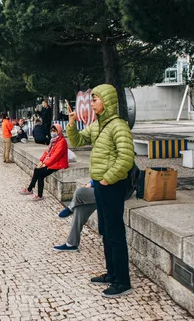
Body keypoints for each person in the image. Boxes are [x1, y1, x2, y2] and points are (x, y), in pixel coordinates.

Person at [67, 84, 135, 298]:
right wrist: (71, 124)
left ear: (106, 101)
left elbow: (126, 158)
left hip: (111, 186)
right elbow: (77, 141)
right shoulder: (97, 125)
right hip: (101, 186)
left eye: (95, 99)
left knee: (115, 232)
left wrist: (107, 179)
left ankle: (123, 281)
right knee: (106, 231)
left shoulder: (118, 126)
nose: (92, 102)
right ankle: (112, 274)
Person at [19, 124, 69, 201]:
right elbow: (47, 152)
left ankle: (30, 189)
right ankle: (38, 194)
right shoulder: (53, 140)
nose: (52, 132)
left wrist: (45, 164)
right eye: (52, 131)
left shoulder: (61, 141)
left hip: (59, 163)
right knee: (39, 174)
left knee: (38, 172)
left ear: (58, 131)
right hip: (53, 162)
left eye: (54, 131)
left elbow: (56, 156)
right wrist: (41, 161)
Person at [53, 180, 96, 252]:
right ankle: (71, 244)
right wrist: (90, 183)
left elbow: (109, 175)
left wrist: (91, 184)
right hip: (100, 189)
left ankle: (70, 208)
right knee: (79, 208)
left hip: (110, 190)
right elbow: (99, 174)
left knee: (80, 192)